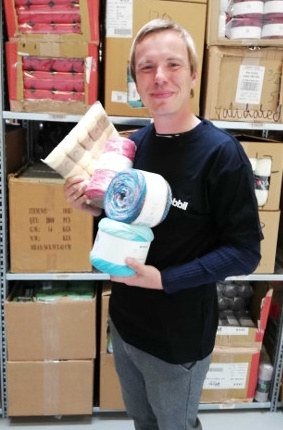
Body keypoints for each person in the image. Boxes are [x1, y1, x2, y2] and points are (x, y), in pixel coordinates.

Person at [64, 19, 263, 430]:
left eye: (173, 65)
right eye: (146, 67)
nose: (159, 78)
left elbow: (245, 252)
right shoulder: (132, 146)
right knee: (141, 420)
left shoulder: (222, 156)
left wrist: (164, 279)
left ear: (193, 75)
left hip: (179, 336)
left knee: (174, 425)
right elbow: (129, 216)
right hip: (126, 322)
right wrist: (94, 209)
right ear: (136, 80)